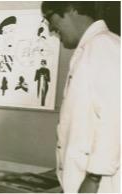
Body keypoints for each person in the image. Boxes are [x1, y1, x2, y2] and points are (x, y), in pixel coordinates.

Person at [41, 1, 120, 193]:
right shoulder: (91, 47)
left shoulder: (103, 46)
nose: (50, 28)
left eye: (50, 18)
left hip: (101, 183)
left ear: (71, 9)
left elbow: (116, 117)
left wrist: (93, 179)